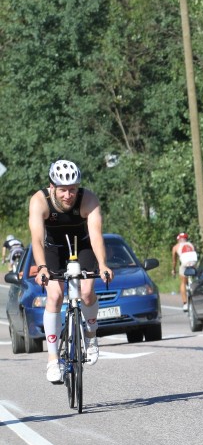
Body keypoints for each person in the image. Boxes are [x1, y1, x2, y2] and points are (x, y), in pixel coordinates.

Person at [29, 160, 113, 383]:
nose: (68, 195)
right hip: (52, 249)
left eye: (73, 189)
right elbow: (37, 239)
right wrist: (42, 268)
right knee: (55, 296)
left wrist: (103, 265)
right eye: (63, 190)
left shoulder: (89, 199)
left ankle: (92, 336)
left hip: (83, 245)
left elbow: (95, 235)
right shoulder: (40, 201)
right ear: (52, 187)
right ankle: (52, 358)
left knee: (86, 293)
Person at [171, 232, 198, 312]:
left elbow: (174, 261)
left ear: (178, 240)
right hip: (193, 263)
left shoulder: (176, 247)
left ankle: (185, 303)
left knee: (183, 282)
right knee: (195, 280)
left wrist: (173, 269)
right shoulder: (191, 244)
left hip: (184, 264)